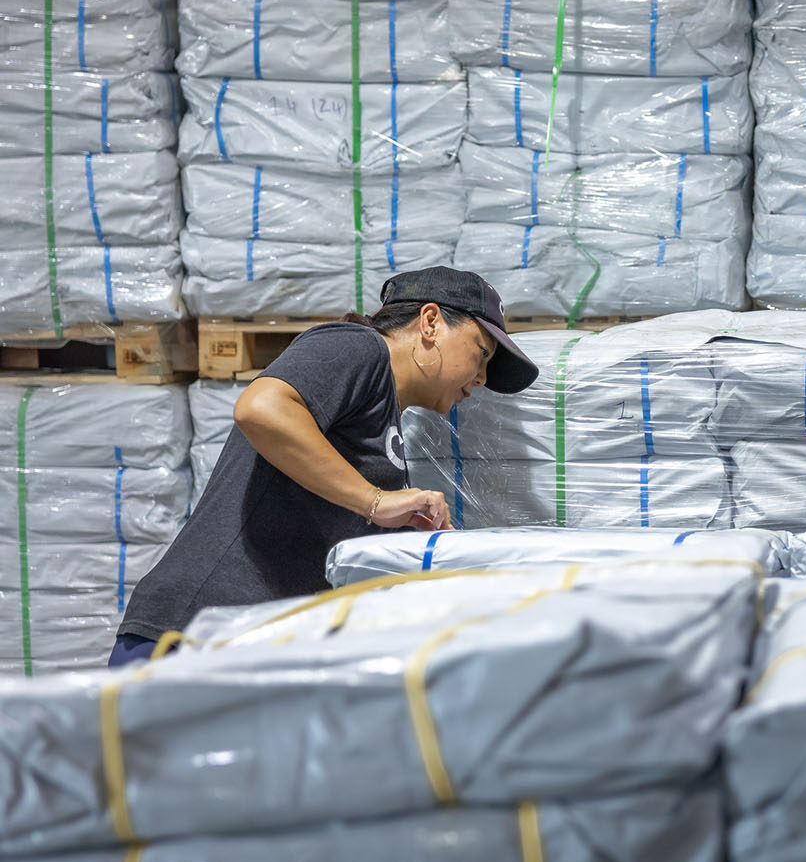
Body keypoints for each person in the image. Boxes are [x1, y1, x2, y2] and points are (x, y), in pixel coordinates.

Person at [109, 267, 539, 665]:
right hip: (189, 639)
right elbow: (260, 408)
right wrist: (375, 502)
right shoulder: (358, 348)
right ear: (430, 323)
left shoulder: (385, 421)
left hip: (248, 648)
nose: (481, 378)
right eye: (481, 354)